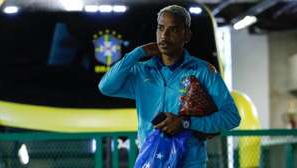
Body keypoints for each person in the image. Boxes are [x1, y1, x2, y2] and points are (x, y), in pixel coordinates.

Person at [99, 5, 241, 168]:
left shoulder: (203, 72)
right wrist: (138, 53)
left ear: (186, 35)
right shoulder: (142, 72)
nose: (164, 36)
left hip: (190, 163)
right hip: (152, 160)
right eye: (160, 28)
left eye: (172, 30)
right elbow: (106, 87)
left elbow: (231, 117)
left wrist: (186, 123)